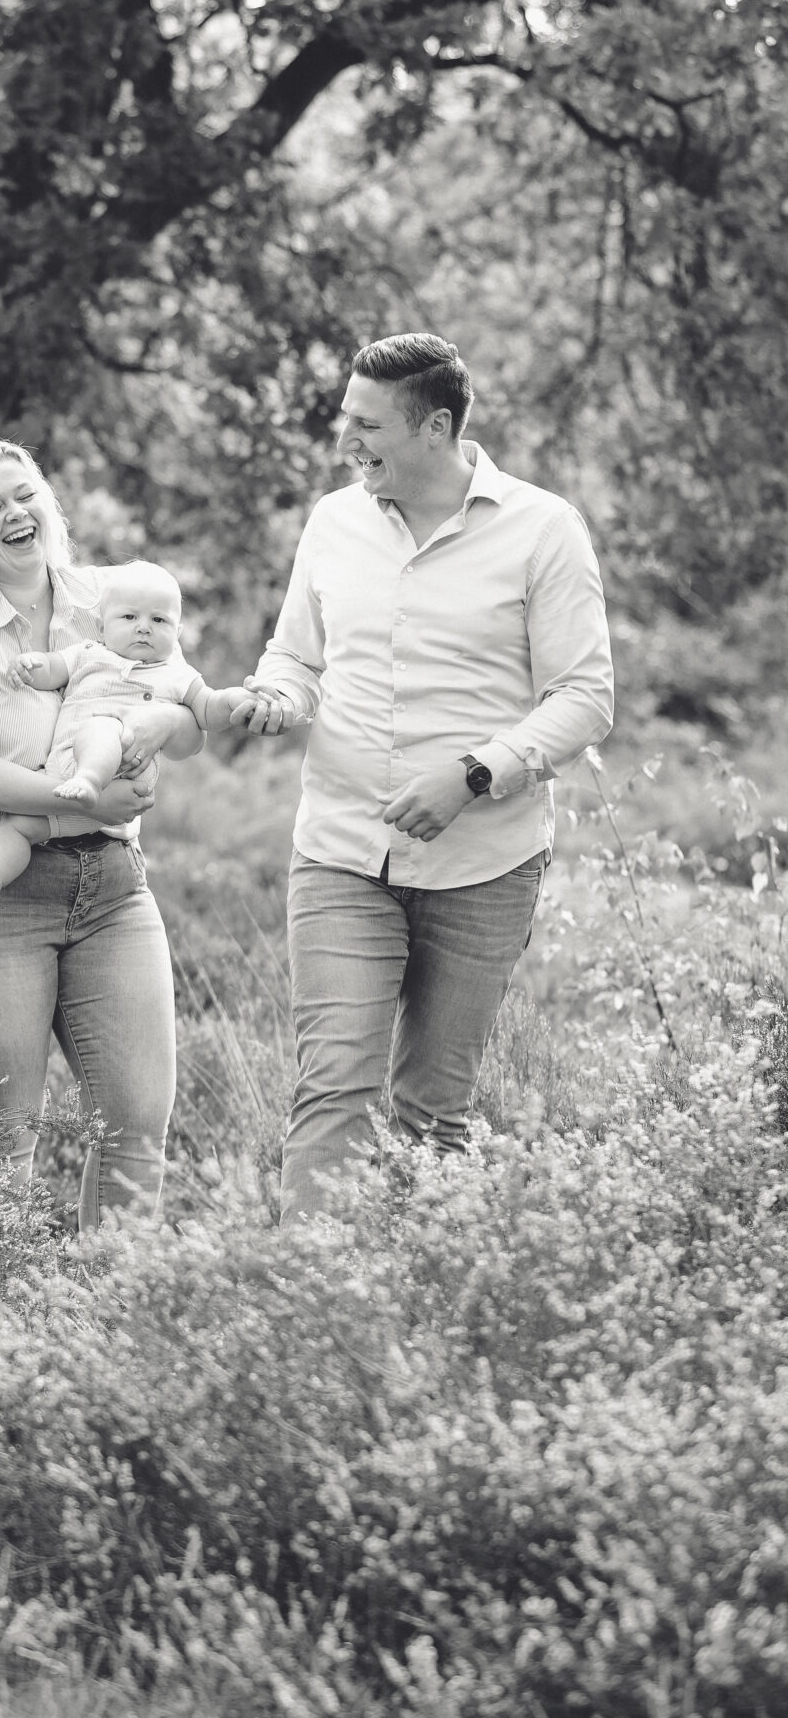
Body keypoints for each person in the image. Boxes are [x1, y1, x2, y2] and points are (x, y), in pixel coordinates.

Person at [238, 333, 614, 1221]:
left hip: (486, 866)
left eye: (366, 426)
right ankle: (308, 1319)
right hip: (339, 853)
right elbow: (296, 657)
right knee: (333, 1086)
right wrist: (275, 700)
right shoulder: (333, 522)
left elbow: (586, 697)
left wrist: (476, 773)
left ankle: (412, 1318)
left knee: (434, 1112)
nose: (346, 443)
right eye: (346, 422)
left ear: (436, 426)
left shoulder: (543, 529)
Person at [0, 438, 209, 1230]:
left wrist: (164, 719)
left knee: (136, 1128)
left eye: (24, 496)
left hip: (111, 888)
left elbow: (191, 719)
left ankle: (109, 1329)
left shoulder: (106, 596)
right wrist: (80, 800)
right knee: (0, 1144)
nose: (14, 514)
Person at [0, 560, 254, 904]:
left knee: (101, 727)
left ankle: (89, 780)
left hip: (116, 780)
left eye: (159, 620)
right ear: (101, 628)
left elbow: (209, 709)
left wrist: (238, 701)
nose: (144, 628)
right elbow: (52, 670)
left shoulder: (176, 673)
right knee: (19, 826)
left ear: (177, 634)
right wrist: (31, 665)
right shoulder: (88, 653)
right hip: (60, 783)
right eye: (129, 618)